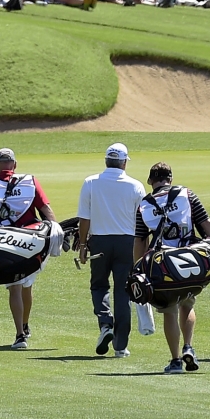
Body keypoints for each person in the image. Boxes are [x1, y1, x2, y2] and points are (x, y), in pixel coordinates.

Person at [133, 162, 210, 374]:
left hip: (163, 266)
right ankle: (189, 346)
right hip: (190, 261)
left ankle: (176, 360)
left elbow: (140, 242)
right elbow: (207, 228)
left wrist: (138, 270)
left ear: (150, 181)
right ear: (170, 178)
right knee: (187, 305)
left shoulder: (144, 205)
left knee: (169, 311)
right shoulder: (187, 195)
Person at [0, 148, 55, 349]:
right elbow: (46, 211)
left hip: (5, 241)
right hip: (31, 240)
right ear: (15, 165)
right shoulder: (30, 181)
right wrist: (55, 233)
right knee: (26, 284)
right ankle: (24, 327)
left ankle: (20, 334)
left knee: (15, 287)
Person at [76, 142, 147, 358]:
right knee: (123, 292)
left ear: (107, 161)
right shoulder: (136, 186)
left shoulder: (90, 182)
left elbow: (84, 218)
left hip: (99, 242)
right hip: (127, 242)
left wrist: (81, 244)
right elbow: (143, 219)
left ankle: (105, 323)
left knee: (99, 286)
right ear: (124, 163)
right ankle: (120, 346)